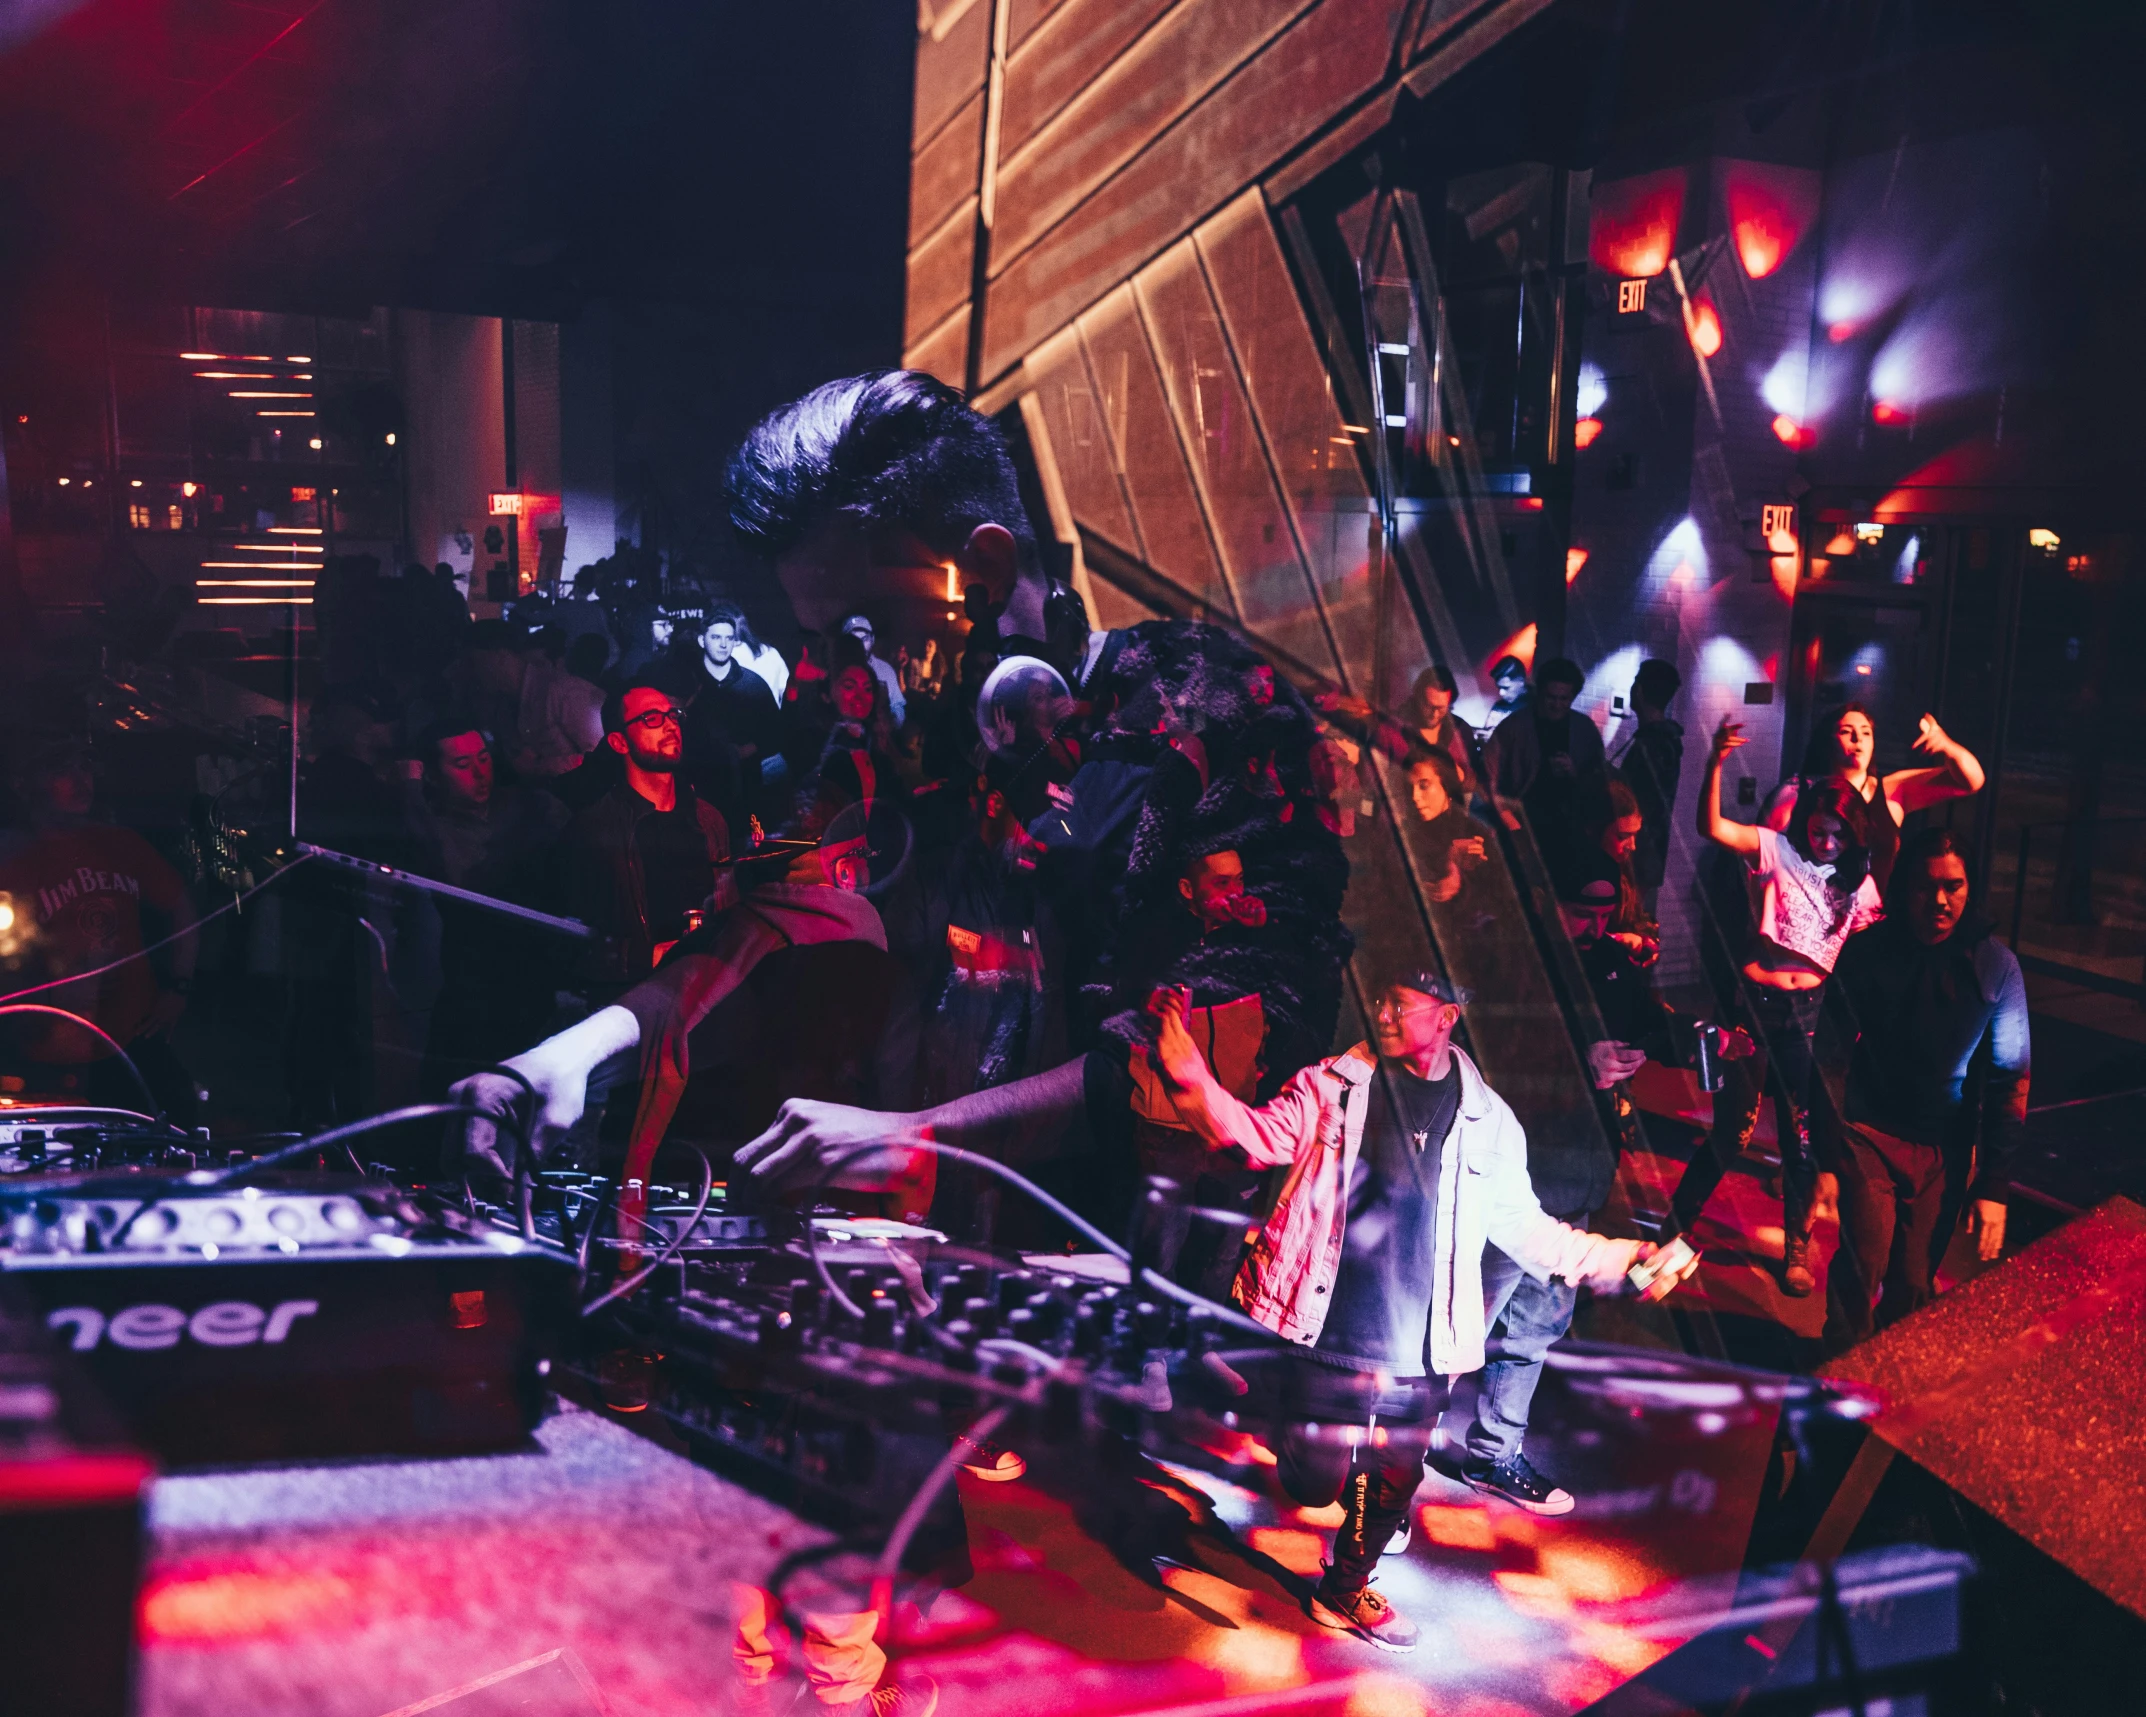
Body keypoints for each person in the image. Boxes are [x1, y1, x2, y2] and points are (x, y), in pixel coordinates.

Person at [1146, 973, 1695, 1651]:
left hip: (1424, 1337)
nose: (1384, 1010)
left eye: (1402, 1002)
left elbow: (1532, 1232)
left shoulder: (1487, 1119)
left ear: (1448, 1016)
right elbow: (1257, 1136)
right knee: (1313, 1482)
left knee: (1394, 1479)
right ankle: (1317, 1463)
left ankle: (1346, 1585)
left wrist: (1624, 1256)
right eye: (1381, 997)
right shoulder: (1331, 1085)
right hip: (1327, 1324)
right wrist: (1191, 1074)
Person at [1674, 719, 1882, 1294]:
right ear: (1809, 815)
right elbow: (1711, 826)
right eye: (1822, 826)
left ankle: (1796, 1246)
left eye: (1840, 832)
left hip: (1807, 1015)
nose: (1828, 839)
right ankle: (1674, 1225)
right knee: (1733, 1132)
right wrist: (1714, 759)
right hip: (1752, 1006)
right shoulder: (1777, 847)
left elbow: (1871, 956)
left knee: (1799, 1137)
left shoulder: (1859, 886)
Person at [1821, 830, 2028, 1352]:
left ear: (1970, 887)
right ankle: (1827, 1392)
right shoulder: (1868, 951)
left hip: (1943, 1149)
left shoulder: (1995, 967)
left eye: (1954, 886)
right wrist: (1822, 1155)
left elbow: (2011, 1076)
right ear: (1904, 888)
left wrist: (1995, 1184)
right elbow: (1829, 1056)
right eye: (1925, 886)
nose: (1940, 900)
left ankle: (1883, 1392)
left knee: (1912, 1288)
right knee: (1862, 1264)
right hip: (1869, 1133)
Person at [0, 738, 200, 1123]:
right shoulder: (12, 857)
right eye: (62, 769)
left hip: (130, 1041)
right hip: (48, 1054)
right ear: (24, 783)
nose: (81, 780)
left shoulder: (121, 844)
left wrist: (179, 987)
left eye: (86, 765)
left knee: (175, 1134)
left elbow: (181, 908)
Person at [404, 722, 567, 1097]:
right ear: (434, 775)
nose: (480, 772)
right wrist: (410, 788)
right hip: (475, 985)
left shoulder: (531, 806)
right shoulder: (435, 830)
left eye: (483, 759)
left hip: (540, 976)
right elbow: (448, 870)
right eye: (462, 764)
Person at [555, 680, 731, 997]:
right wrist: (648, 956)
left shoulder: (708, 819)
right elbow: (570, 945)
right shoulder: (593, 831)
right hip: (641, 1000)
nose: (670, 726)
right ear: (619, 742)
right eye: (651, 718)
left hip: (710, 991)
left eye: (673, 715)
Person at [1762, 705, 1984, 892]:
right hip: (1811, 927)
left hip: (1871, 925)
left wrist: (1947, 746)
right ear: (1829, 741)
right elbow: (1764, 858)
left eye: (1866, 732)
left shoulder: (1891, 791)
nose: (1858, 739)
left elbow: (1971, 781)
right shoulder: (1800, 791)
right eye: (1846, 731)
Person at [1480, 656, 1606, 859]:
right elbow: (1488, 777)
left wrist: (1574, 773)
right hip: (1523, 827)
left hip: (1569, 831)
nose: (1557, 705)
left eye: (1564, 699)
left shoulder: (1584, 730)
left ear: (1572, 697)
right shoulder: (1513, 727)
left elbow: (1599, 781)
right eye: (1551, 697)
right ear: (1539, 693)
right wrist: (1508, 820)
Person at [684, 603, 781, 830]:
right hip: (697, 789)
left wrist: (753, 747)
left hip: (745, 792)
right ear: (702, 640)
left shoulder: (753, 685)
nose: (723, 644)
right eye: (716, 637)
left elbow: (777, 729)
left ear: (735, 641)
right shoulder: (687, 684)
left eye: (728, 638)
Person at [1614, 658, 1684, 911]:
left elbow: (1636, 802)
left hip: (1635, 855)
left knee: (1625, 919)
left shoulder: (1652, 745)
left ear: (1639, 691)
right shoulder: (1665, 742)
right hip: (1646, 856)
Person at [1401, 748, 1491, 903]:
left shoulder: (1475, 831)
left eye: (1424, 786)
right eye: (1410, 787)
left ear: (1446, 786)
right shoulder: (1403, 832)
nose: (1414, 797)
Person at [838, 611, 907, 726]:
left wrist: (890, 723)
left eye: (864, 639)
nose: (860, 645)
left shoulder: (886, 670)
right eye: (854, 640)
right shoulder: (837, 670)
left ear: (872, 639)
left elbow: (898, 706)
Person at [1486, 655, 1530, 724]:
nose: (1501, 693)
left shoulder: (1537, 707)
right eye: (1499, 687)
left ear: (1521, 682)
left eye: (1506, 688)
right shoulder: (1499, 706)